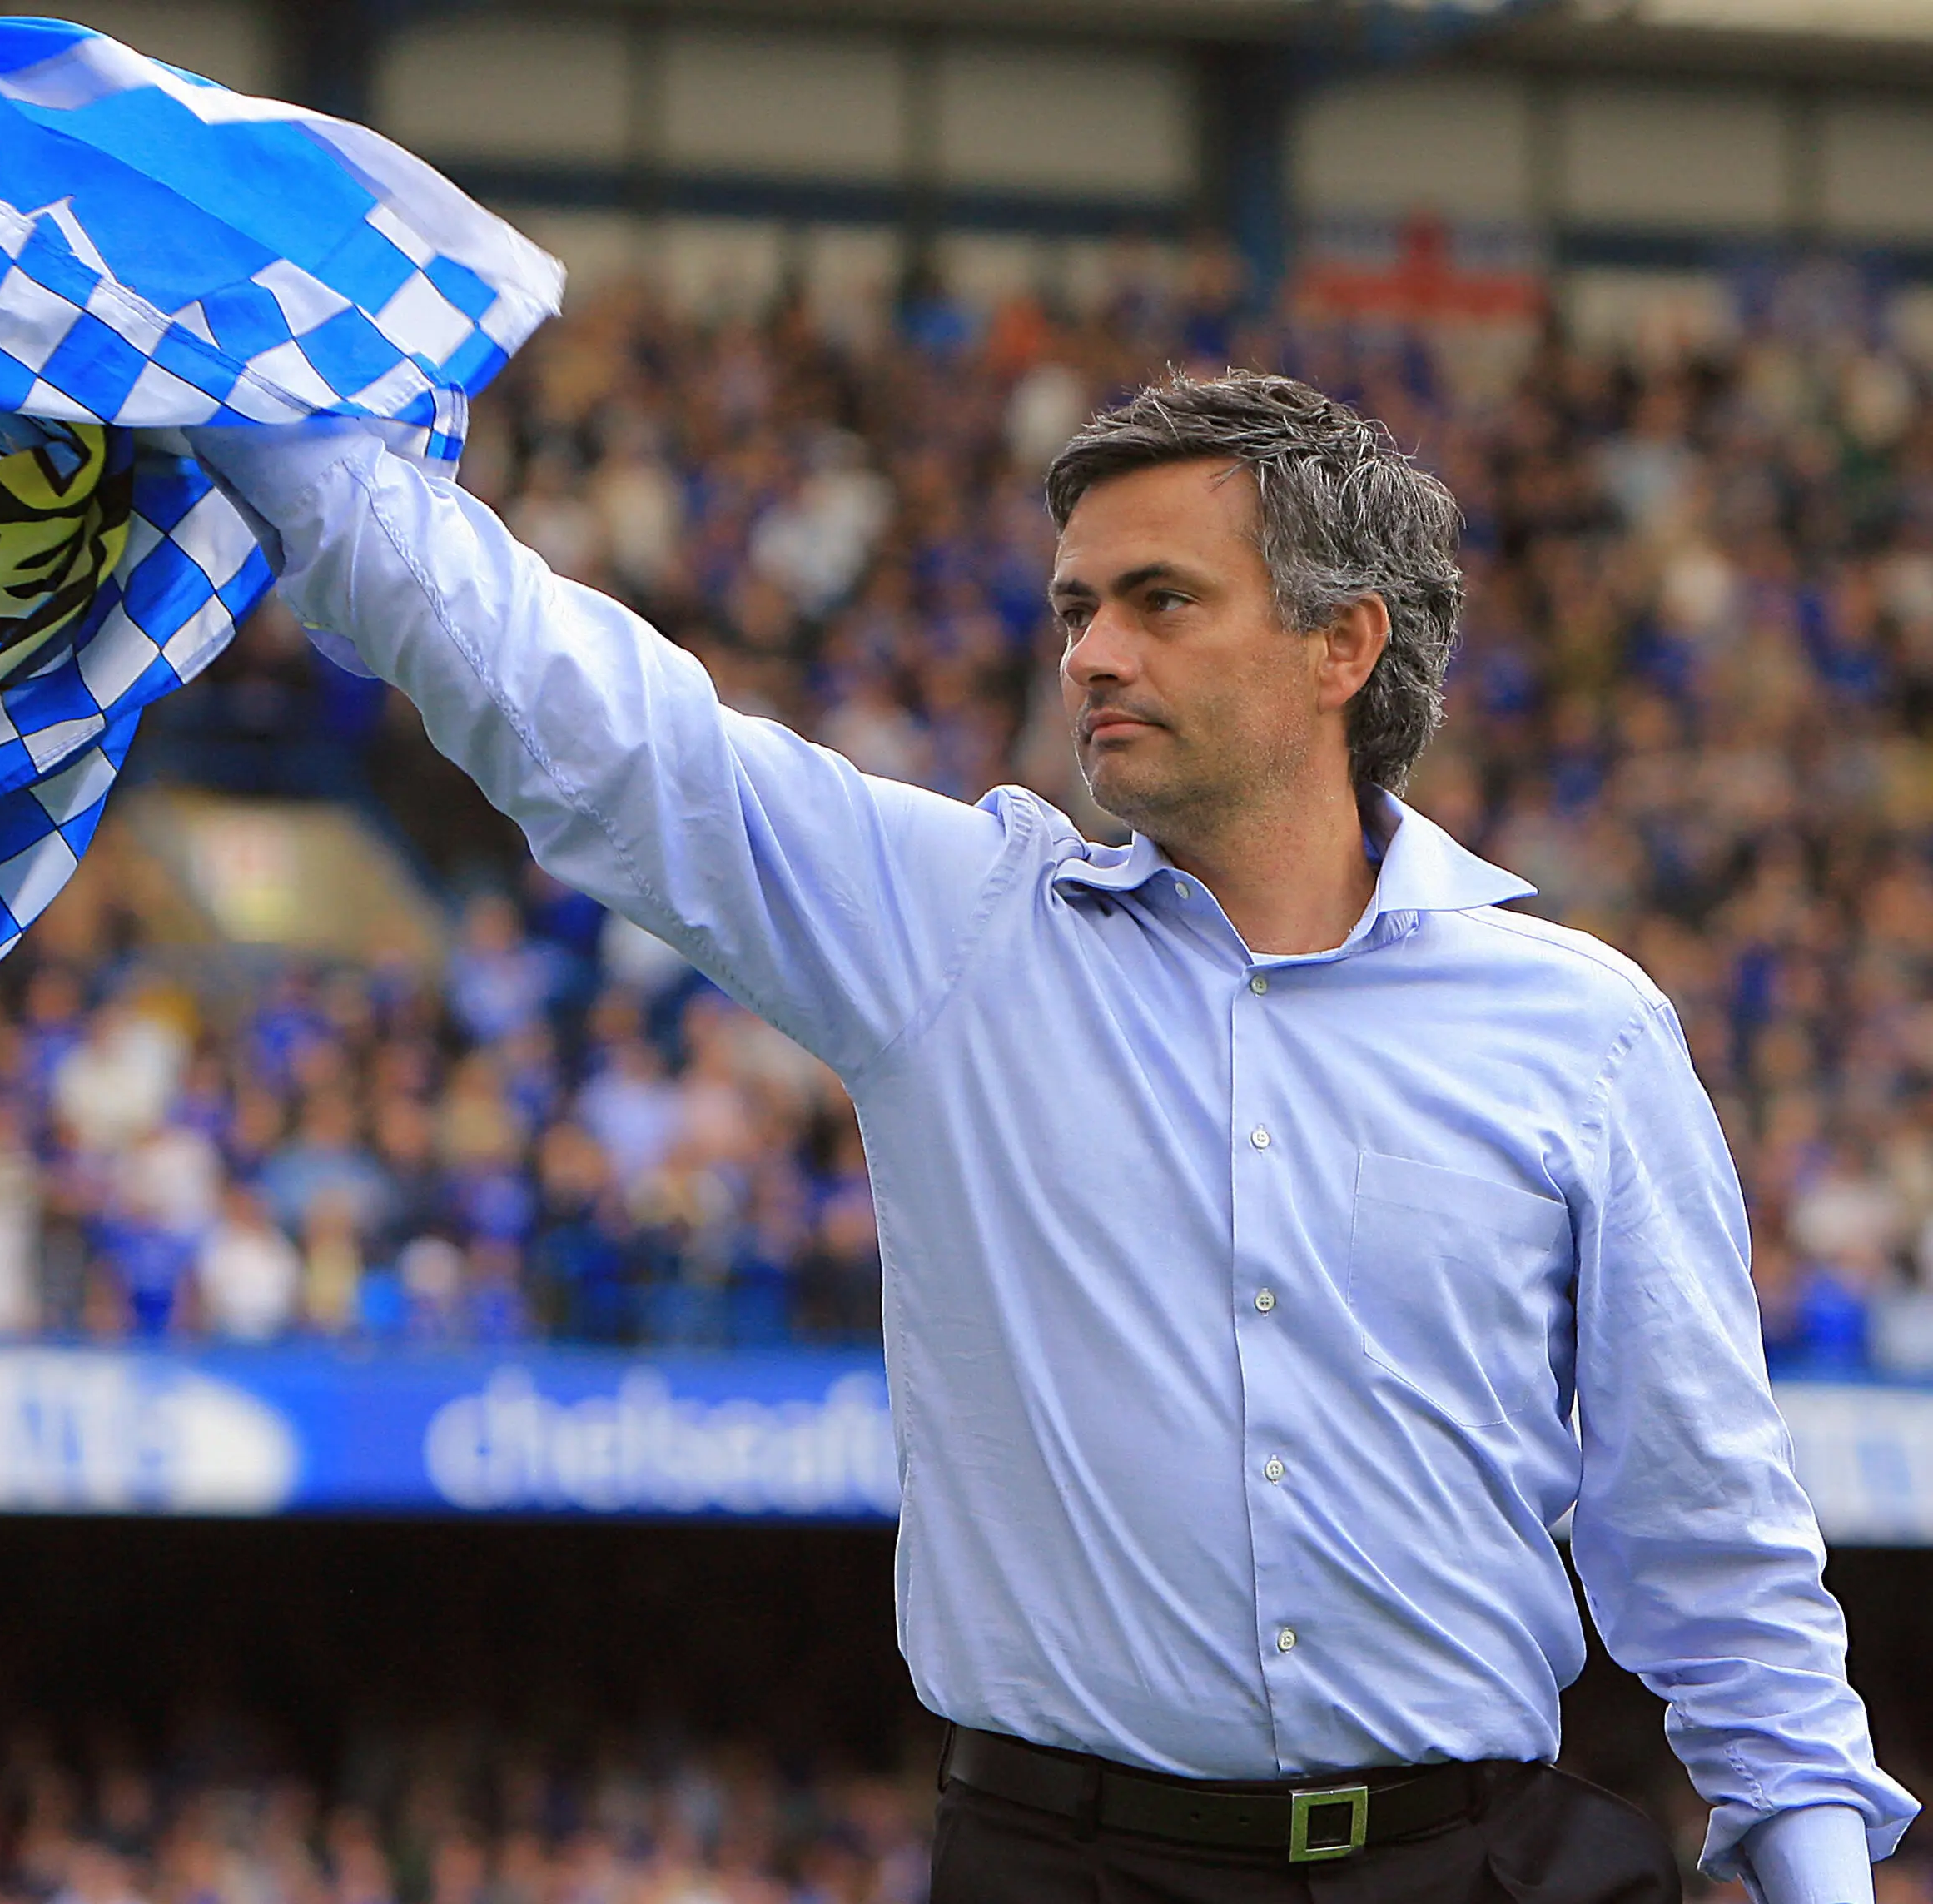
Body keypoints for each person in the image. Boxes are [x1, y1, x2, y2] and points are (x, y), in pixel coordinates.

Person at [186, 371, 1916, 1904]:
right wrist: (239, 391)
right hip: (1064, 1863)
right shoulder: (953, 930)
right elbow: (586, 720)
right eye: (1080, 605)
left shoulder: (1586, 1027)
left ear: (1344, 645)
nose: (1091, 651)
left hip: (1486, 1858)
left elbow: (1703, 1523)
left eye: (1161, 600)